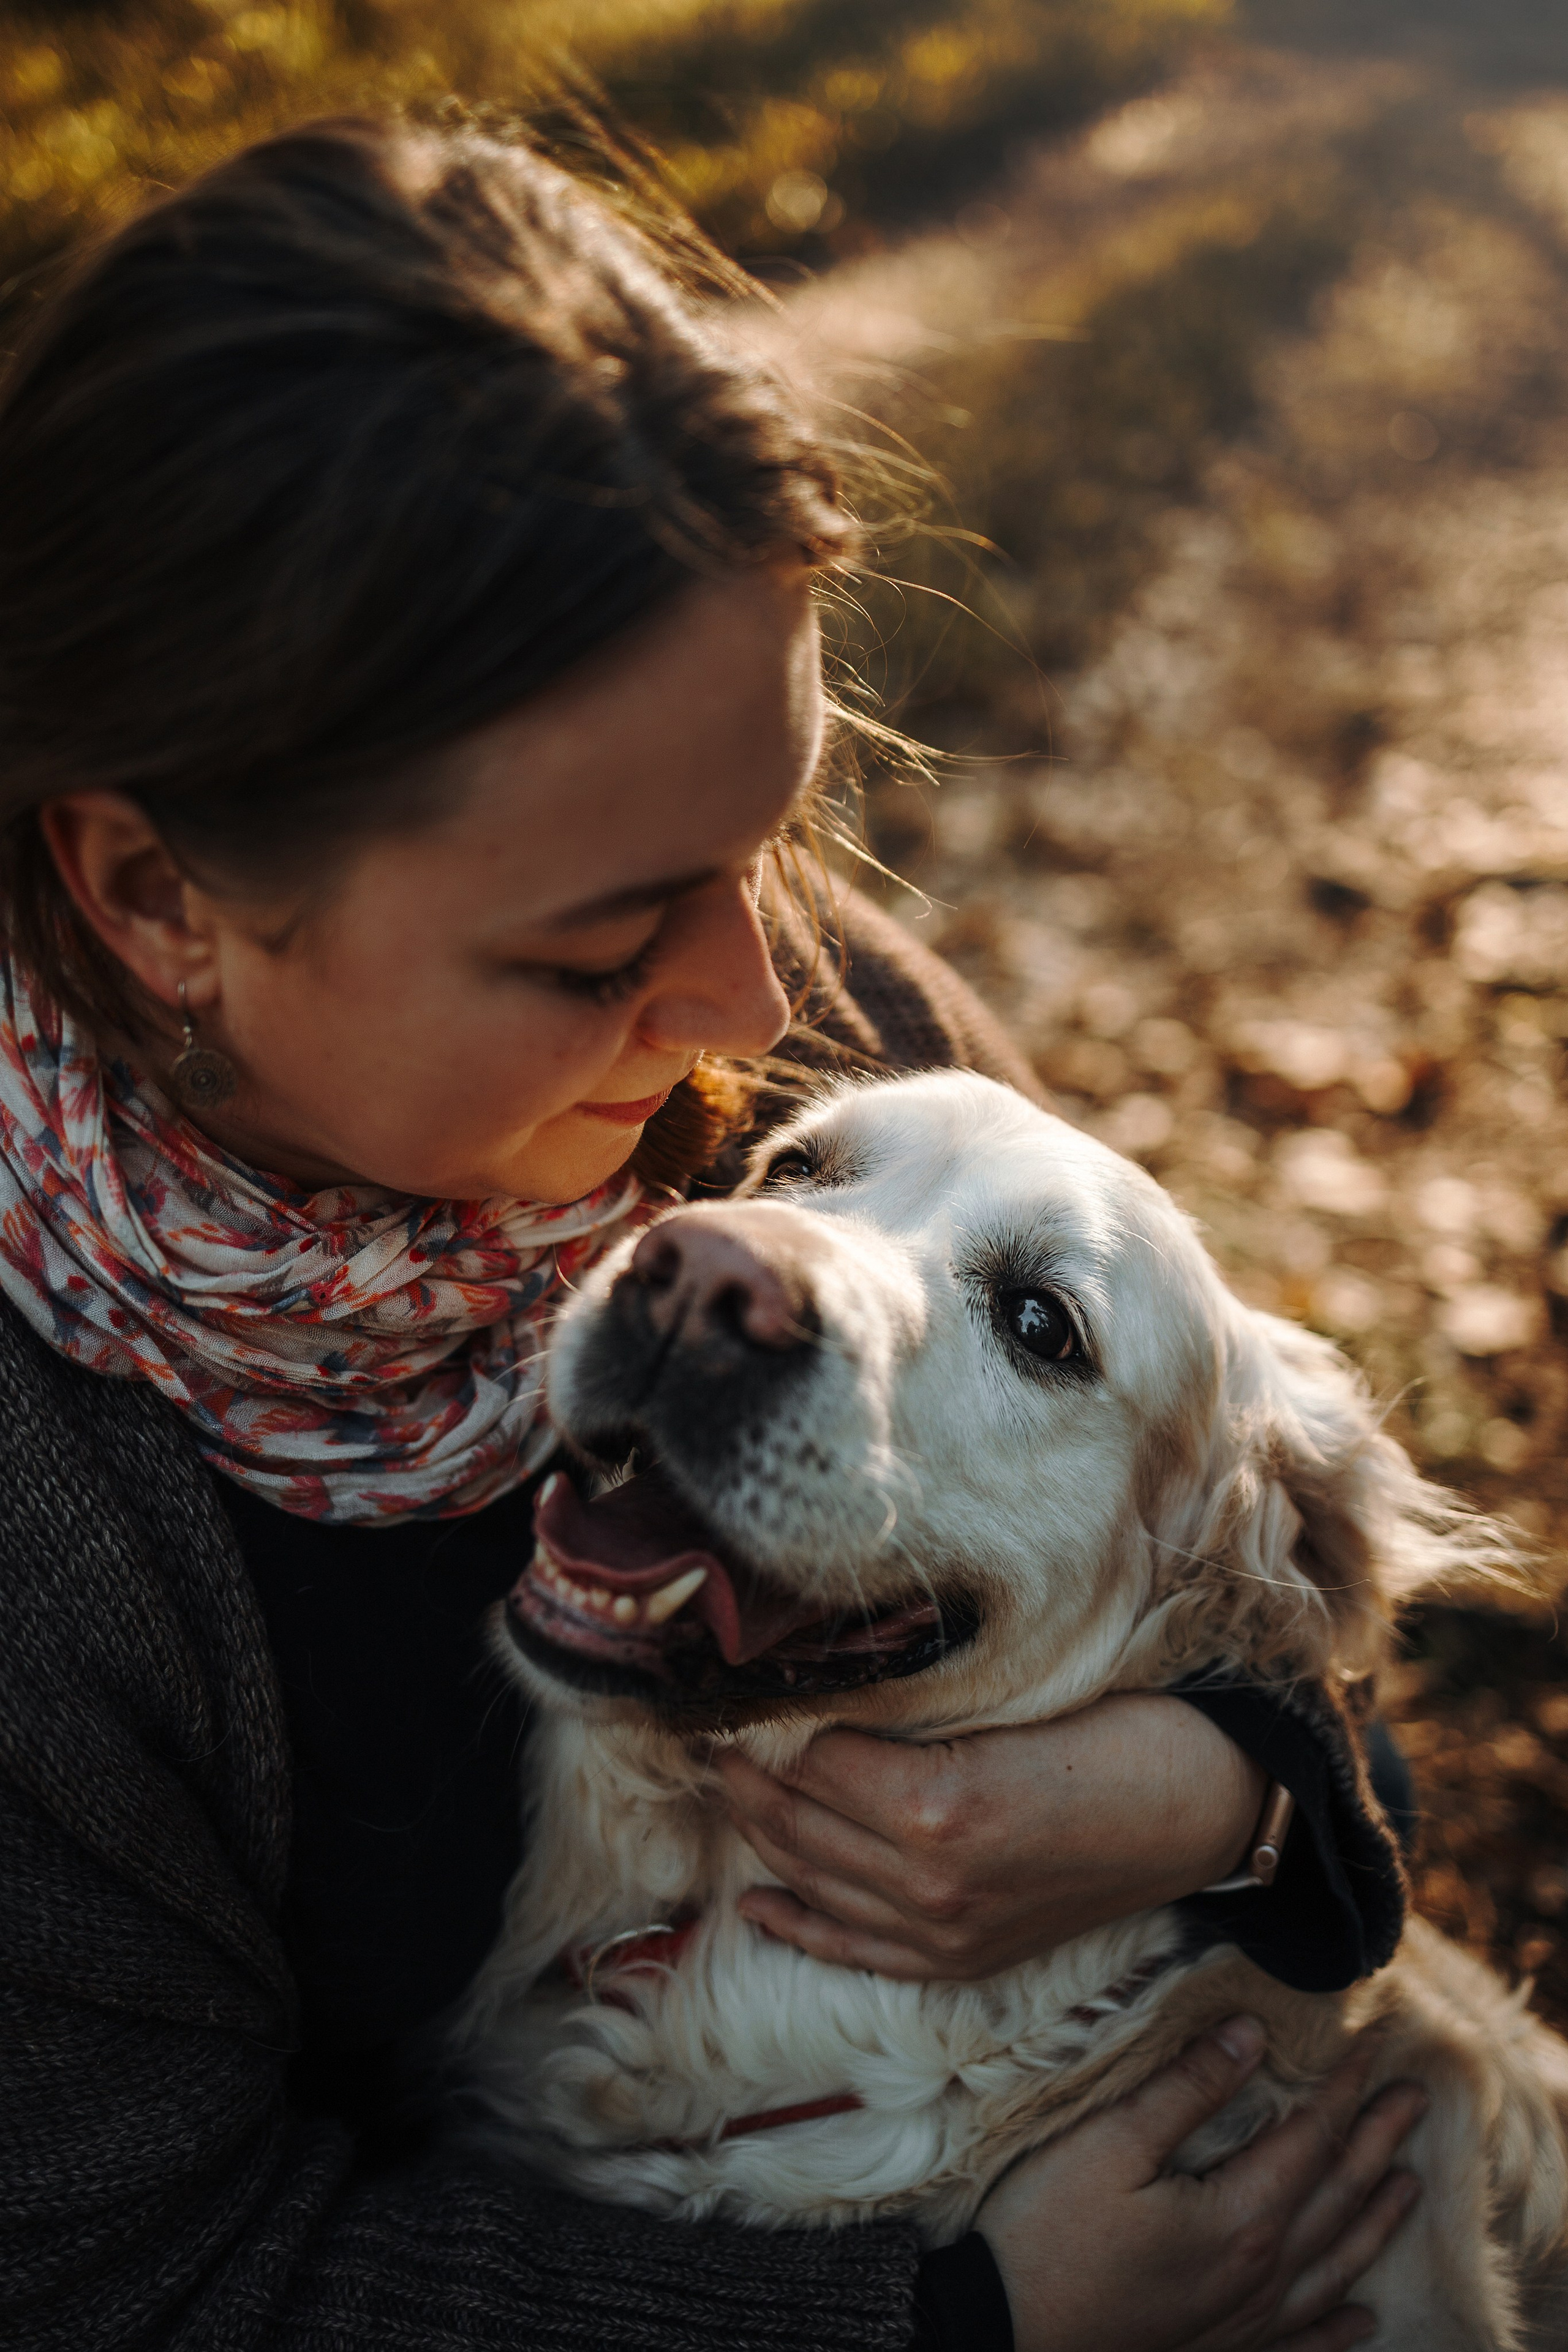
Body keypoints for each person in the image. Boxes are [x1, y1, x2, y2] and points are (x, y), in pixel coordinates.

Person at [0, 116, 1422, 2352]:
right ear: (160, 896)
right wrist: (950, 2328)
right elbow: (136, 2286)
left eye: (772, 840)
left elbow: (1241, 1565)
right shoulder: (46, 1551)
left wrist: (1228, 1789)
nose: (759, 1018)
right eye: (596, 950)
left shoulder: (826, 1051)